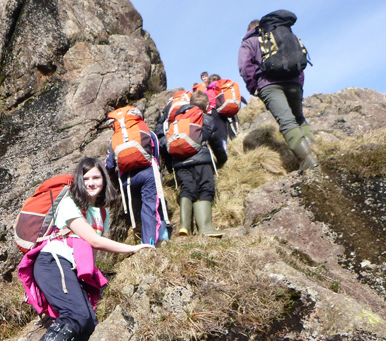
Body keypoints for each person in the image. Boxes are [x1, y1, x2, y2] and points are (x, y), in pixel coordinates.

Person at [16, 157, 154, 341]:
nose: (91, 182)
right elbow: (94, 240)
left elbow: (91, 253)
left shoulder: (102, 213)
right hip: (52, 262)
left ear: (104, 179)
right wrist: (133, 249)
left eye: (96, 177)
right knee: (76, 316)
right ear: (79, 180)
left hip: (68, 268)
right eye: (86, 177)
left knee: (89, 322)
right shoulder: (69, 203)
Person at [238, 11, 319, 170]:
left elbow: (245, 68)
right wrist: (298, 84)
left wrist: (254, 87)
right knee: (299, 117)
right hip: (294, 82)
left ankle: (307, 160)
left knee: (287, 121)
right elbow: (299, 61)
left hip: (269, 85)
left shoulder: (249, 41)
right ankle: (315, 148)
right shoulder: (284, 36)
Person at [155, 90, 228, 237]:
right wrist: (222, 159)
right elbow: (215, 143)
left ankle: (184, 226)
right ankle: (206, 228)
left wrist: (171, 168)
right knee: (206, 188)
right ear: (207, 106)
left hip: (179, 162)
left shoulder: (176, 120)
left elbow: (166, 144)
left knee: (187, 188)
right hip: (200, 160)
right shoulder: (205, 119)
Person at [104, 123, 170, 246]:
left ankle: (141, 233)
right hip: (149, 173)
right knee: (151, 207)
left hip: (127, 180)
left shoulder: (115, 139)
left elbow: (109, 165)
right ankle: (153, 241)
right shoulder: (148, 133)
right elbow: (155, 155)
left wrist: (113, 177)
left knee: (139, 207)